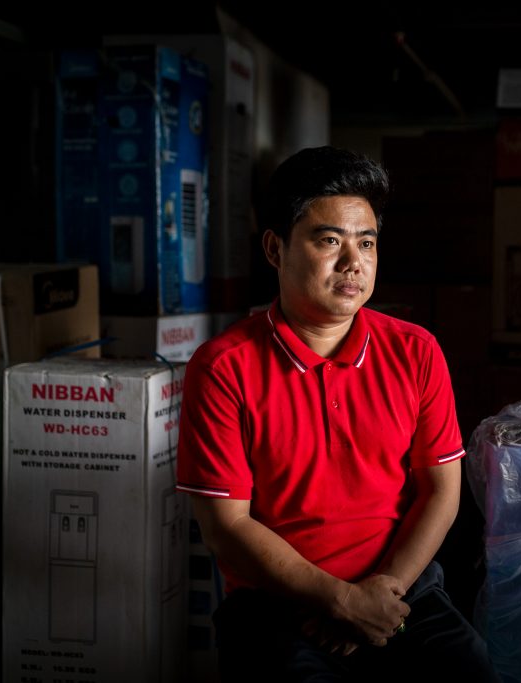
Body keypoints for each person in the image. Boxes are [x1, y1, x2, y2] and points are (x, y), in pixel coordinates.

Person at [176, 146, 500, 682]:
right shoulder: (222, 368)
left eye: (366, 243)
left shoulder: (415, 351)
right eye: (330, 240)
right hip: (278, 600)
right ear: (276, 249)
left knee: (471, 670)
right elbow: (225, 526)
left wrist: (378, 594)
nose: (354, 262)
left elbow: (441, 491)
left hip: (400, 584)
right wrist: (338, 601)